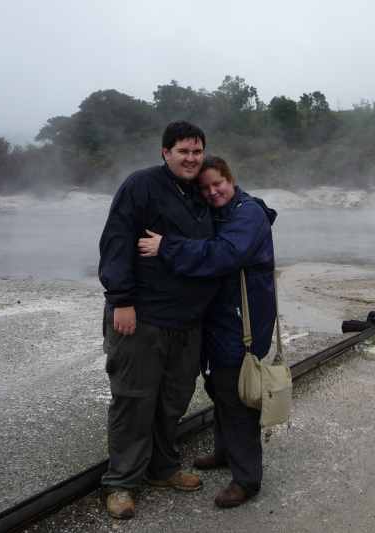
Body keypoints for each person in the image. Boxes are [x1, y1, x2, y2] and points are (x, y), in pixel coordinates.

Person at [137, 155, 277, 508]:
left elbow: (224, 254)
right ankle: (225, 452)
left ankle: (247, 480)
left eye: (219, 184)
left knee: (239, 396)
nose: (213, 192)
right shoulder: (221, 211)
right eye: (205, 188)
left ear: (232, 180)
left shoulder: (247, 214)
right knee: (219, 387)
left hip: (243, 321)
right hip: (221, 318)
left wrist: (166, 247)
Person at [98, 121, 219, 519]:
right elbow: (116, 241)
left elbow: (231, 210)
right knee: (134, 399)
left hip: (187, 321)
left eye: (196, 151)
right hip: (143, 315)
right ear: (164, 152)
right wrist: (121, 300)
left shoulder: (201, 192)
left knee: (172, 400)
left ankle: (163, 468)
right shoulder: (141, 186)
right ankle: (121, 482)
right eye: (183, 151)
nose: (191, 158)